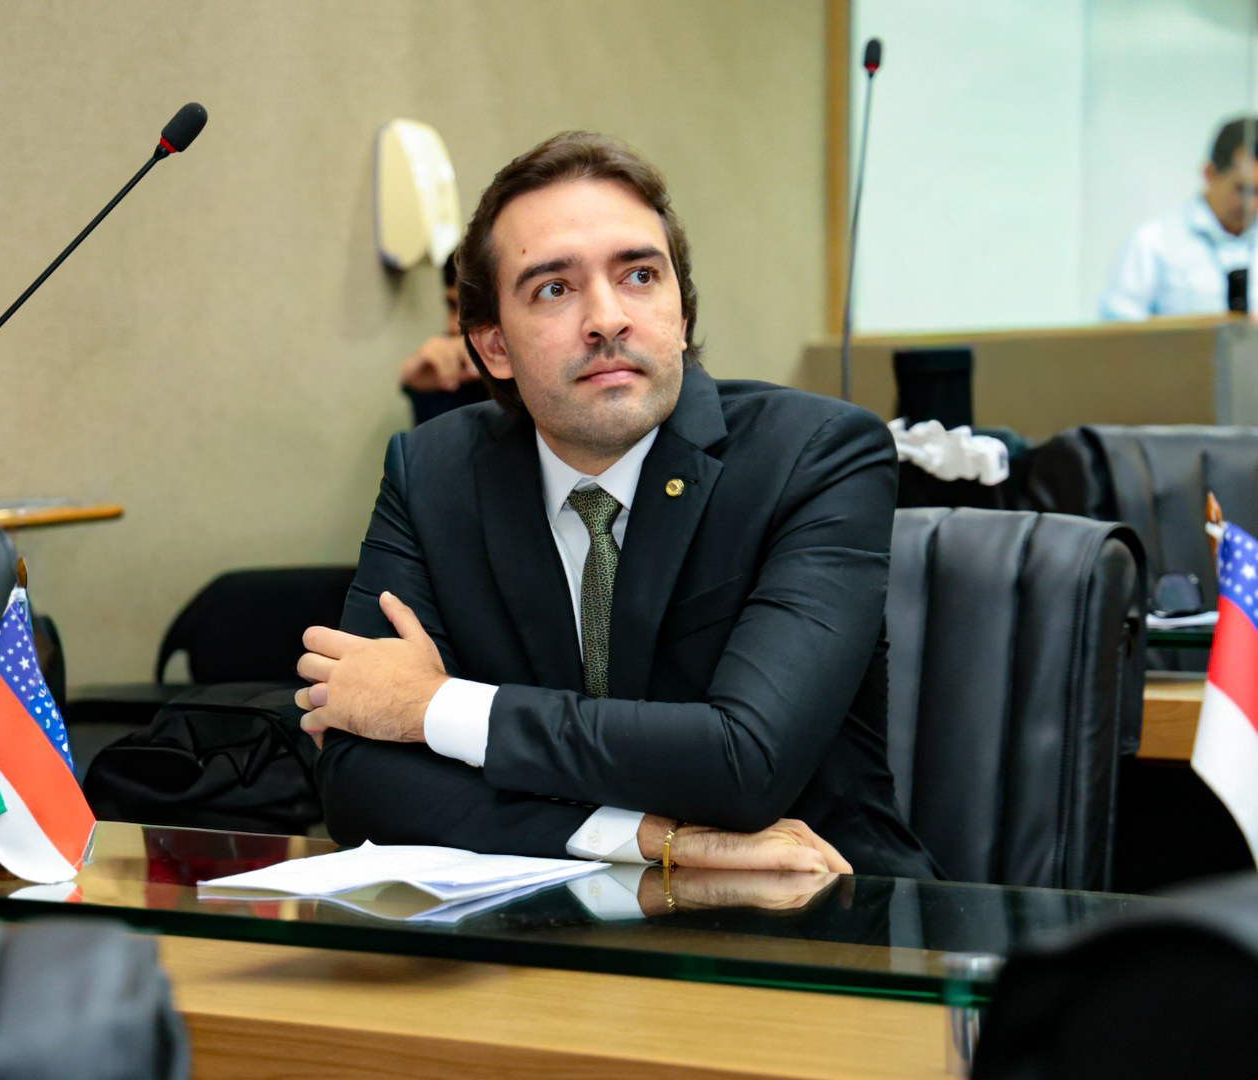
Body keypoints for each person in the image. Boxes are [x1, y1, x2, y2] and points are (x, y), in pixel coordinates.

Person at [298, 132, 939, 880]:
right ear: (494, 347)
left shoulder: (815, 455)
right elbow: (358, 780)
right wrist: (650, 840)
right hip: (543, 925)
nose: (607, 318)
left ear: (681, 313)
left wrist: (434, 709)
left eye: (639, 276)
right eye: (554, 289)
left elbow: (745, 760)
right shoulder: (432, 473)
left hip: (817, 905)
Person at [1100, 116, 1258, 320]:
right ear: (1210, 173)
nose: (1252, 205)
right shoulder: (1155, 242)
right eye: (1242, 190)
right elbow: (1118, 326)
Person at [396, 252, 489, 426]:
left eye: (475, 308)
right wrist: (418, 389)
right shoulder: (442, 371)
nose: (456, 325)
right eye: (452, 306)